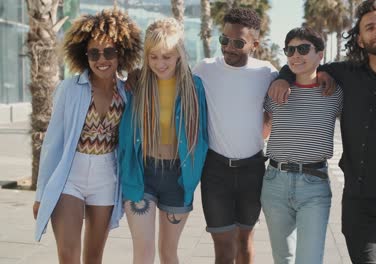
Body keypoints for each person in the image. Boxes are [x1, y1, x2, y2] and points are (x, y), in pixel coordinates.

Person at [269, 1, 376, 263]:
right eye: (370, 27)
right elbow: (304, 63)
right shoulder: (345, 74)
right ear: (360, 40)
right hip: (357, 200)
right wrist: (283, 76)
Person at [32, 8, 142, 264]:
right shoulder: (71, 88)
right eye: (94, 52)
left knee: (94, 258)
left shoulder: (127, 91)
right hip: (70, 176)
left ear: (121, 53)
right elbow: (53, 142)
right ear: (84, 55)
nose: (101, 59)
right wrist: (40, 195)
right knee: (68, 256)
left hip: (106, 177)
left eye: (109, 52)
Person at [118, 18, 208, 264]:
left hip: (179, 178)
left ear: (179, 54)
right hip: (142, 175)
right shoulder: (136, 86)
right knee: (144, 253)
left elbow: (203, 135)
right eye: (153, 56)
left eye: (167, 56)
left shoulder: (195, 87)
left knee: (169, 253)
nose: (160, 63)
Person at [192, 7, 278, 263]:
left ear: (254, 43)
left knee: (245, 242)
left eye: (238, 42)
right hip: (215, 170)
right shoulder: (203, 69)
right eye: (224, 40)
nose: (228, 47)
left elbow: (277, 106)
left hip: (253, 169)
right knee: (223, 247)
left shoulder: (267, 72)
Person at [261, 26, 343, 264]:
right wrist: (282, 77)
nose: (295, 55)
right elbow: (262, 127)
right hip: (274, 182)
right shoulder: (274, 91)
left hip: (314, 185)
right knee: (283, 258)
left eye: (303, 49)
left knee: (309, 259)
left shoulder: (335, 93)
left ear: (320, 54)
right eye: (290, 50)